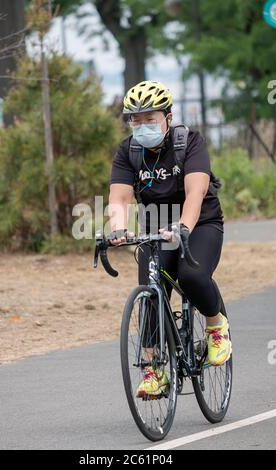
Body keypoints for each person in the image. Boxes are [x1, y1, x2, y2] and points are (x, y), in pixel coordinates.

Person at [108, 80, 232, 398]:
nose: (142, 125)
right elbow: (119, 198)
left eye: (150, 119)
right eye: (135, 120)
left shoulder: (189, 142)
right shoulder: (128, 152)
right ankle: (154, 372)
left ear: (167, 115)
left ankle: (217, 326)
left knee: (191, 274)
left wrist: (183, 227)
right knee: (151, 291)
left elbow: (196, 192)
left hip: (200, 222)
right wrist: (118, 229)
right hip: (155, 227)